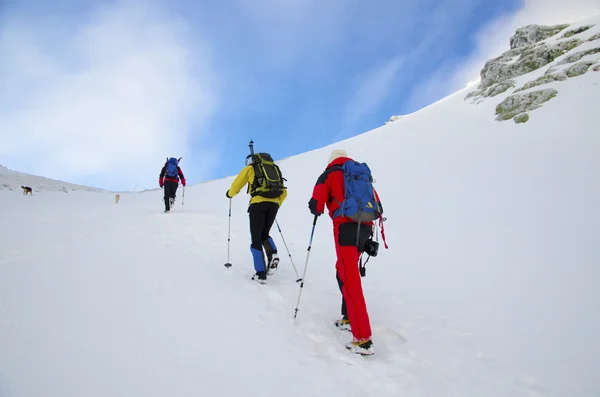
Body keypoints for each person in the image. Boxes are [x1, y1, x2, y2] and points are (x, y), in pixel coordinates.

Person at [308, 149, 384, 356]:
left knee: (350, 278)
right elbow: (376, 202)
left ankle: (363, 339)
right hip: (366, 227)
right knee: (342, 269)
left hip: (346, 229)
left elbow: (316, 204)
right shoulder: (359, 174)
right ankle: (349, 316)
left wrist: (318, 207)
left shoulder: (329, 173)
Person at [226, 152, 287, 284]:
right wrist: (276, 203)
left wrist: (230, 194)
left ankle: (260, 273)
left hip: (257, 204)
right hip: (273, 205)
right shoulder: (274, 169)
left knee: (256, 238)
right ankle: (273, 254)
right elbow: (283, 190)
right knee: (264, 233)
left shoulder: (251, 168)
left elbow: (237, 184)